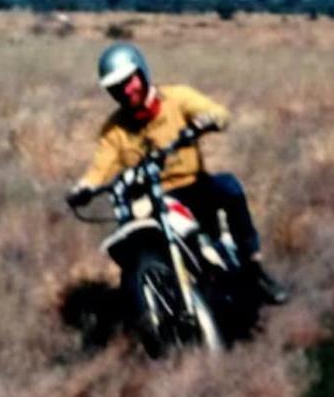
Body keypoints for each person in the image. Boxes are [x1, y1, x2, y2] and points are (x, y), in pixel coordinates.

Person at [66, 42, 288, 306]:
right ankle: (149, 303)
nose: (127, 91)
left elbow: (218, 113)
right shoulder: (113, 129)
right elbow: (100, 166)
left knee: (230, 188)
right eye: (117, 88)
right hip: (152, 198)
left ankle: (255, 270)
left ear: (142, 73)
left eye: (130, 81)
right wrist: (84, 188)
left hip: (193, 186)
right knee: (131, 243)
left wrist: (207, 121)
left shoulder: (177, 98)